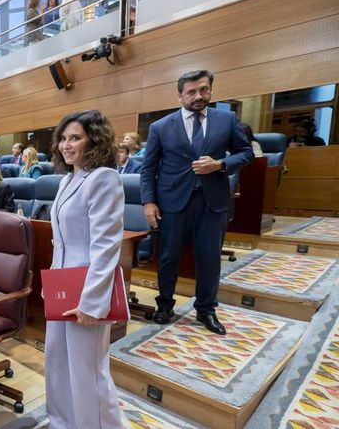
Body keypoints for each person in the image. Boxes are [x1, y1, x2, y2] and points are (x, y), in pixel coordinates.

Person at [141, 70, 253, 335]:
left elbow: (246, 153)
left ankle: (206, 310)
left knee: (210, 258)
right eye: (191, 92)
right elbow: (148, 169)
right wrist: (148, 202)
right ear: (180, 95)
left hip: (212, 201)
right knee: (168, 257)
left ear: (211, 90)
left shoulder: (226, 120)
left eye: (203, 90)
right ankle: (165, 305)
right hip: (172, 201)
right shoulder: (160, 127)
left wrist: (221, 164)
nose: (198, 96)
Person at [46, 109, 124, 429]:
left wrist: (93, 302)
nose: (66, 145)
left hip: (87, 289)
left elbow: (106, 247)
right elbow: (60, 242)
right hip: (63, 287)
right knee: (58, 364)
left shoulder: (104, 178)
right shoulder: (68, 179)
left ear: (94, 141)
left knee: (87, 372)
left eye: (75, 138)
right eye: (63, 139)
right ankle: (62, 423)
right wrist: (50, 286)